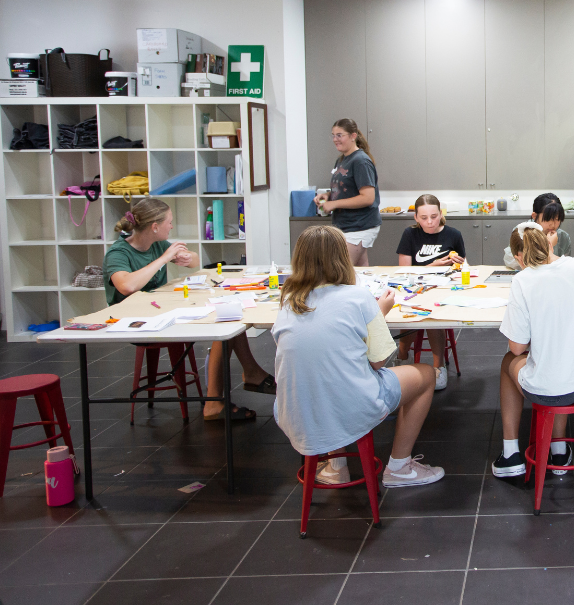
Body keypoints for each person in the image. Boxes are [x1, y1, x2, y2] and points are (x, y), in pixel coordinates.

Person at [273, 225, 443, 488]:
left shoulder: (289, 300)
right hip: (349, 405)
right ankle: (399, 466)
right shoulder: (358, 297)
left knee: (324, 375)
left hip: (294, 410)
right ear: (342, 257)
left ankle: (336, 465)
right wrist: (379, 313)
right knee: (426, 375)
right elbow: (377, 363)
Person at [104, 198, 273, 422]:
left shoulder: (156, 244)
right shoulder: (118, 253)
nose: (171, 226)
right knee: (222, 323)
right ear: (155, 227)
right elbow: (127, 286)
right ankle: (217, 400)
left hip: (158, 310)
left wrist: (186, 258)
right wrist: (164, 258)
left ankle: (249, 374)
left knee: (231, 315)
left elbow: (194, 260)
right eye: (169, 222)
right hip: (134, 320)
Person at [491, 222, 574, 478]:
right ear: (549, 242)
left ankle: (510, 454)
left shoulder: (523, 280)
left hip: (551, 391)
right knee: (562, 361)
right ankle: (559, 450)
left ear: (519, 256)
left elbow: (518, 346)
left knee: (510, 361)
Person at [396, 194, 467, 391]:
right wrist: (432, 265)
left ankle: (438, 366)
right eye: (424, 217)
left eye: (434, 216)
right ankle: (402, 353)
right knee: (412, 314)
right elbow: (404, 271)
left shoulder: (453, 234)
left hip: (444, 289)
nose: (429, 222)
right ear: (416, 218)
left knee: (434, 316)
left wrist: (459, 266)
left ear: (441, 214)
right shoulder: (410, 234)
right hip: (415, 289)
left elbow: (463, 267)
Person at [314, 118, 380, 267]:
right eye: (333, 135)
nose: (335, 139)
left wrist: (334, 203)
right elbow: (346, 188)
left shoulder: (361, 161)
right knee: (360, 273)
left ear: (353, 136)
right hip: (345, 226)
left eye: (340, 135)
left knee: (341, 271)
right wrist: (328, 195)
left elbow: (368, 197)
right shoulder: (342, 160)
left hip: (359, 226)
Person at [503, 193, 572, 270]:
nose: (552, 224)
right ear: (535, 216)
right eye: (547, 219)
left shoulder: (563, 237)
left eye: (557, 219)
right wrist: (548, 246)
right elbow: (510, 261)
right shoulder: (523, 232)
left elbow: (565, 266)